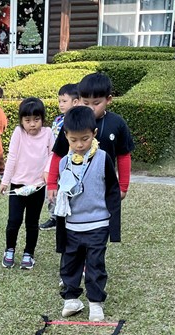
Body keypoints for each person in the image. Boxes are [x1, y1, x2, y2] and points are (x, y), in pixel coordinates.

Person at [52, 106, 121, 323]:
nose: (80, 145)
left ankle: (95, 303)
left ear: (94, 133)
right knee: (69, 264)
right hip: (72, 225)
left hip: (97, 224)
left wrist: (113, 225)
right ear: (66, 136)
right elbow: (63, 194)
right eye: (73, 140)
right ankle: (71, 300)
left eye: (85, 139)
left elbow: (112, 190)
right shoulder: (63, 162)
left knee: (95, 264)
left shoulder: (103, 158)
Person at [46, 72, 134, 206]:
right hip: (74, 184)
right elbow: (58, 153)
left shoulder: (117, 123)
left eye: (96, 103)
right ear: (79, 99)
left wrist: (123, 187)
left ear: (108, 99)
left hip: (105, 186)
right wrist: (52, 183)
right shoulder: (72, 121)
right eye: (85, 102)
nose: (91, 108)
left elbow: (123, 156)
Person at [0, 97, 53, 270]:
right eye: (27, 120)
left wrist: (48, 175)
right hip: (18, 185)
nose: (32, 124)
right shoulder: (18, 132)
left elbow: (52, 156)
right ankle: (9, 250)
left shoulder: (48, 133)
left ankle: (29, 253)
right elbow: (12, 157)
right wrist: (5, 181)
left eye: (36, 119)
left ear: (42, 119)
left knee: (32, 222)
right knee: (14, 221)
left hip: (38, 187)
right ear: (21, 120)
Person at [39, 82, 80, 231]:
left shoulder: (78, 120)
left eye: (64, 101)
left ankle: (70, 215)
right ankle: (54, 217)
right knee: (52, 188)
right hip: (55, 158)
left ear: (75, 102)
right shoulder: (58, 120)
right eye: (59, 101)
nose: (61, 104)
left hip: (71, 161)